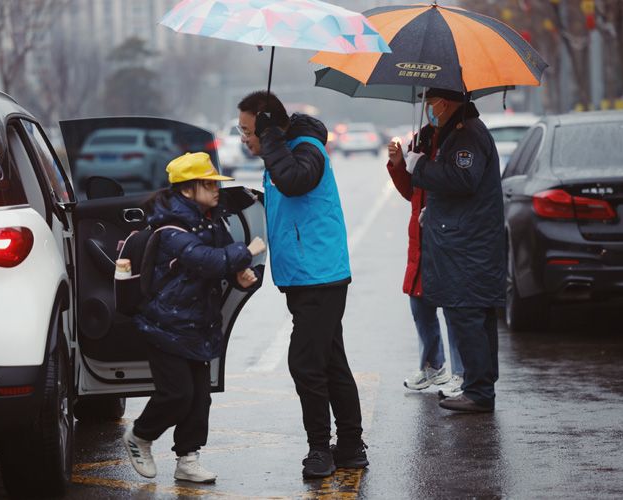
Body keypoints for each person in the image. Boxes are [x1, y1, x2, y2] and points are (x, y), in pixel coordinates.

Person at [237, 91, 366, 478]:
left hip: (320, 276)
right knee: (330, 360)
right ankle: (349, 445)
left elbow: (294, 182)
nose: (244, 138)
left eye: (248, 130)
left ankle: (320, 450)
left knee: (306, 363)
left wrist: (272, 138)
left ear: (266, 125)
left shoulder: (307, 148)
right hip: (306, 275)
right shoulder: (286, 150)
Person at [123, 152, 266, 482]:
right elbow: (204, 260)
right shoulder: (171, 227)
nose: (217, 190)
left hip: (198, 323)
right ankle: (140, 436)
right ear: (188, 189)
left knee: (200, 399)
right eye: (209, 184)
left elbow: (223, 261)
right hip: (165, 324)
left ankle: (188, 459)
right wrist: (249, 251)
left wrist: (240, 274)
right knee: (177, 394)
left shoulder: (210, 219)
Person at [400, 88, 505, 413]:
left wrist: (420, 167)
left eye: (430, 103)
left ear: (444, 103)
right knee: (474, 316)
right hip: (467, 243)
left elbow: (463, 179)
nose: (428, 109)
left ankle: (478, 391)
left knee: (467, 315)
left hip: (467, 248)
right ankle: (481, 386)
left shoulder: (466, 134)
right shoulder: (456, 133)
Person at [387, 123, 464, 398]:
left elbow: (458, 184)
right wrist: (398, 164)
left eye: (433, 101)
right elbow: (412, 192)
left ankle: (460, 373)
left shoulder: (457, 137)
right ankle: (434, 366)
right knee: (420, 302)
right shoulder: (422, 138)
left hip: (445, 234)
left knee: (454, 307)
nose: (430, 107)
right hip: (420, 236)